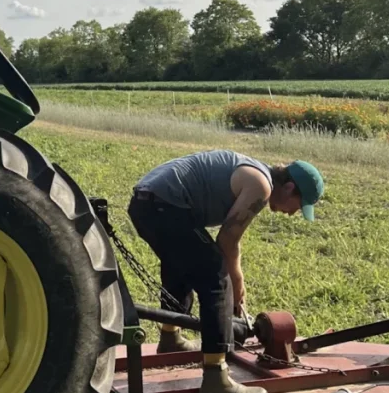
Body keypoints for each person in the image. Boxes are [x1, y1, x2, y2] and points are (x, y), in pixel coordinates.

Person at [126, 149, 323, 393]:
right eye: (298, 205)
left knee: (182, 263)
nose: (293, 213)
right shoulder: (260, 186)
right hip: (163, 204)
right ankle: (216, 378)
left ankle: (170, 339)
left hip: (146, 203)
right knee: (215, 277)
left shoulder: (256, 172)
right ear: (289, 187)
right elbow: (228, 240)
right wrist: (237, 283)